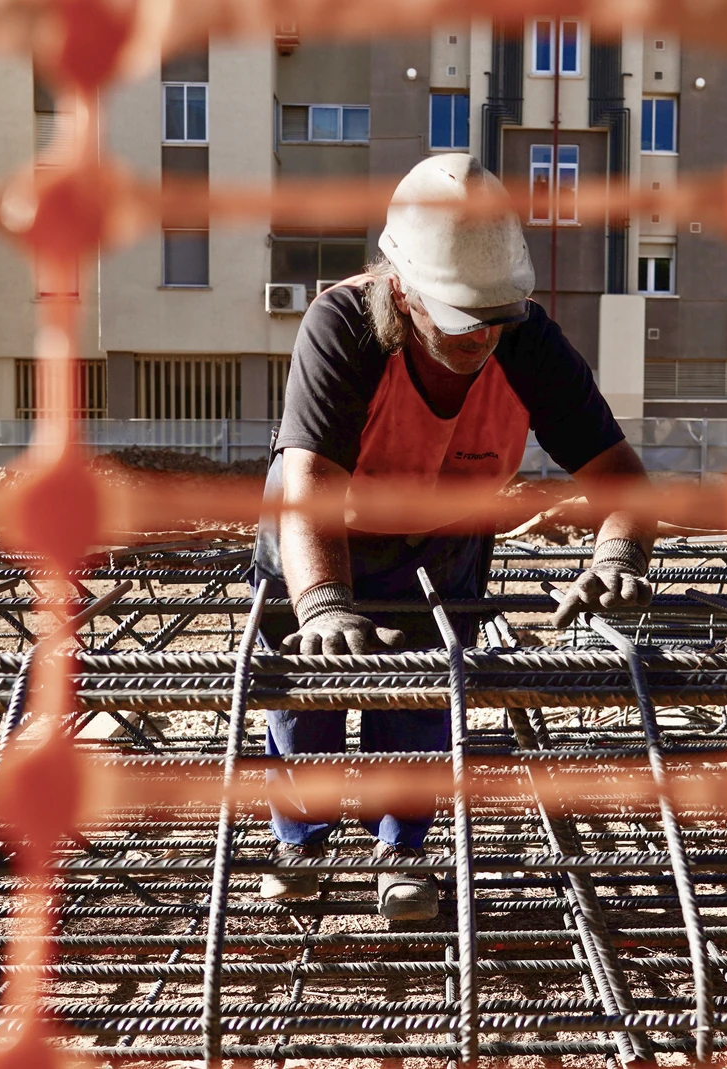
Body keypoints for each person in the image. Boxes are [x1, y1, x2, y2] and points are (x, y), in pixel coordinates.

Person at [252, 154, 656, 921]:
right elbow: (308, 481)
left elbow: (621, 476)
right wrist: (326, 604)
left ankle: (404, 852)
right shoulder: (344, 325)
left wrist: (618, 553)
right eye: (461, 317)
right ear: (403, 290)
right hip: (321, 530)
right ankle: (298, 846)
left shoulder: (524, 337)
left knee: (426, 694)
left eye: (494, 318)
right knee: (306, 699)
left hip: (440, 536)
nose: (481, 338)